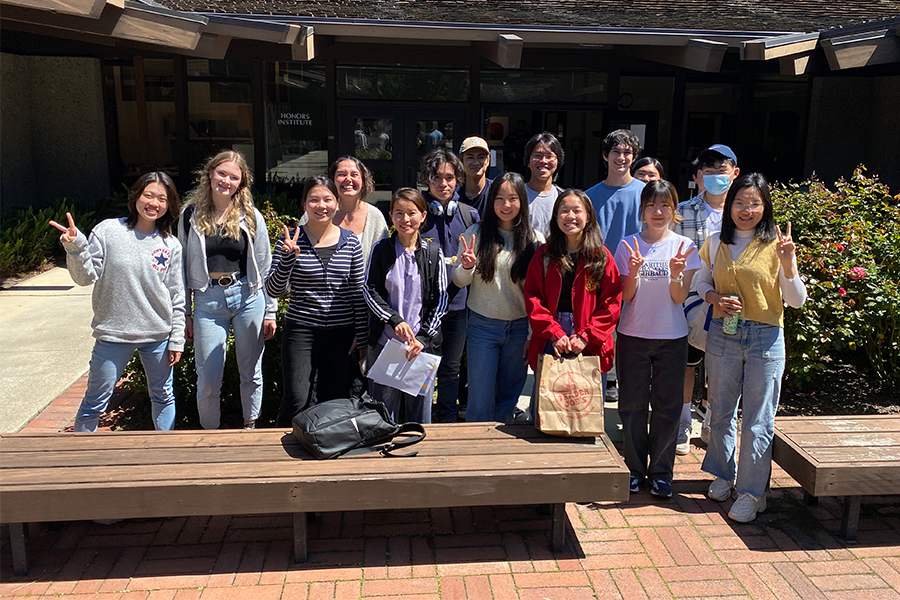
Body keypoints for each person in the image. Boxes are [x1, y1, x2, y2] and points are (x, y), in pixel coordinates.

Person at [698, 173, 807, 523]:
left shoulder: (777, 246)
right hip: (722, 331)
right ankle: (724, 474)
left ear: (765, 207)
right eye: (740, 202)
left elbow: (796, 301)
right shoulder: (716, 241)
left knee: (759, 420)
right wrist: (713, 296)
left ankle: (751, 492)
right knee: (721, 409)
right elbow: (700, 280)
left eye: (754, 203)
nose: (747, 210)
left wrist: (789, 265)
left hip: (765, 336)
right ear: (730, 205)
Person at [51, 172, 185, 432]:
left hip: (157, 334)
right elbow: (85, 277)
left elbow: (177, 296)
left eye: (162, 198)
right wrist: (76, 247)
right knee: (94, 402)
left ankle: (163, 452)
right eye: (148, 195)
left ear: (169, 205)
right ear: (136, 196)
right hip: (113, 333)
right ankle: (79, 459)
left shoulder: (170, 244)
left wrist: (176, 338)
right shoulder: (108, 231)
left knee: (163, 396)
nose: (154, 203)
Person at [614, 180, 700, 499]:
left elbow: (678, 298)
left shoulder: (685, 247)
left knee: (667, 406)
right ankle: (635, 470)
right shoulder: (628, 246)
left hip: (672, 338)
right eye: (652, 205)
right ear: (643, 210)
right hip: (633, 336)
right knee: (633, 405)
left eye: (665, 205)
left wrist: (677, 273)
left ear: (674, 210)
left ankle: (662, 472)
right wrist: (634, 270)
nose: (658, 212)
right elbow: (626, 295)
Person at [180, 150, 277, 430]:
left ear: (241, 183)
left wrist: (270, 310)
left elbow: (265, 265)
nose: (226, 181)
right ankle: (211, 434)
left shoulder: (250, 216)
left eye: (234, 177)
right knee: (208, 376)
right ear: (209, 174)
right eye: (222, 173)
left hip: (247, 295)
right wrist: (185, 312)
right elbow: (181, 267)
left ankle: (249, 427)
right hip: (207, 299)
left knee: (251, 372)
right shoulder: (190, 215)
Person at [266, 176, 368, 427]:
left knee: (332, 399)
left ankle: (324, 449)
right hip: (301, 329)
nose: (321, 205)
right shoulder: (290, 239)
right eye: (314, 199)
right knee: (296, 399)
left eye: (327, 199)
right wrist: (288, 259)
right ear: (304, 204)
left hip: (341, 332)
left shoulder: (350, 241)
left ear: (336, 203)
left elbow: (358, 291)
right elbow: (274, 289)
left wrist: (361, 334)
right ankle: (282, 453)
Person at [453, 172, 543, 422]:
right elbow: (459, 280)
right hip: (483, 325)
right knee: (479, 399)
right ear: (491, 202)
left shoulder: (535, 240)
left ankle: (500, 452)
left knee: (509, 396)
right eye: (500, 198)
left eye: (513, 198)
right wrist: (467, 266)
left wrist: (531, 334)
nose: (506, 205)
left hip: (520, 328)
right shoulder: (476, 234)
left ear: (522, 202)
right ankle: (477, 452)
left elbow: (539, 293)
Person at [524, 189, 623, 412]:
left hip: (589, 335)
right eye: (564, 211)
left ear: (588, 216)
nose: (571, 216)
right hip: (552, 333)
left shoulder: (601, 257)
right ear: (556, 217)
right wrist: (554, 333)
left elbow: (612, 302)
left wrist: (587, 335)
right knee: (546, 404)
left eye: (577, 211)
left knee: (585, 406)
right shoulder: (544, 255)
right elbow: (533, 297)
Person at [673, 146, 738, 452]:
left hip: (730, 302)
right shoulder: (683, 211)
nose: (715, 179)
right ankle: (684, 423)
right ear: (698, 176)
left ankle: (712, 421)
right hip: (688, 302)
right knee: (688, 364)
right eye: (709, 173)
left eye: (722, 172)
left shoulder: (742, 212)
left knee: (720, 366)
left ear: (734, 173)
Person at [364, 188, 448, 423]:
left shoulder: (433, 253)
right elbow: (369, 290)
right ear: (391, 216)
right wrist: (394, 320)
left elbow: (441, 300)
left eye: (411, 213)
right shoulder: (381, 250)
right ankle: (384, 458)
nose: (405, 219)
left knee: (420, 415)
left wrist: (423, 338)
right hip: (386, 345)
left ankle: (420, 457)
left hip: (420, 348)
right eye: (399, 213)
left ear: (423, 216)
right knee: (383, 414)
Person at [419, 148, 481, 423]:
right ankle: (421, 419)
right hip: (424, 307)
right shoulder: (417, 212)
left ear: (457, 180)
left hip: (458, 304)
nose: (443, 184)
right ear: (426, 180)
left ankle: (446, 418)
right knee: (423, 365)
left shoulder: (469, 215)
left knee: (451, 367)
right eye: (436, 178)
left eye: (449, 177)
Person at [300, 156, 388, 268]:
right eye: (342, 174)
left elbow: (384, 261)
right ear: (332, 180)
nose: (348, 179)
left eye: (354, 174)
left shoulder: (375, 217)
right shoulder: (315, 213)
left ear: (363, 180)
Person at [586, 129, 645, 254]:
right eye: (616, 152)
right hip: (599, 267)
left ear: (634, 157)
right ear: (605, 155)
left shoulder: (646, 193)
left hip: (635, 267)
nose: (621, 157)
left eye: (627, 152)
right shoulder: (589, 196)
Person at [524, 132, 565, 235]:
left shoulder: (563, 198)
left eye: (549, 156)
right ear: (528, 161)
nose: (543, 161)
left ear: (558, 162)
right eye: (538, 156)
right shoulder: (517, 195)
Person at [458, 136, 493, 217]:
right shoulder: (453, 194)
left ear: (488, 161)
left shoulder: (496, 191)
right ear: (461, 161)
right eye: (470, 157)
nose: (476, 162)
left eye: (481, 157)